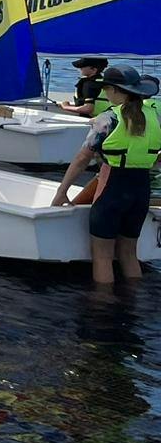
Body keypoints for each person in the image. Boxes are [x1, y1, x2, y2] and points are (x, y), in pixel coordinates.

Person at [52, 66, 161, 285]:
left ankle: (101, 310)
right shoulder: (154, 117)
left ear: (113, 90)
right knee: (129, 254)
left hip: (112, 190)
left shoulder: (108, 119)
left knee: (102, 257)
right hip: (140, 191)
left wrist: (61, 192)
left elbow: (83, 158)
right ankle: (133, 303)